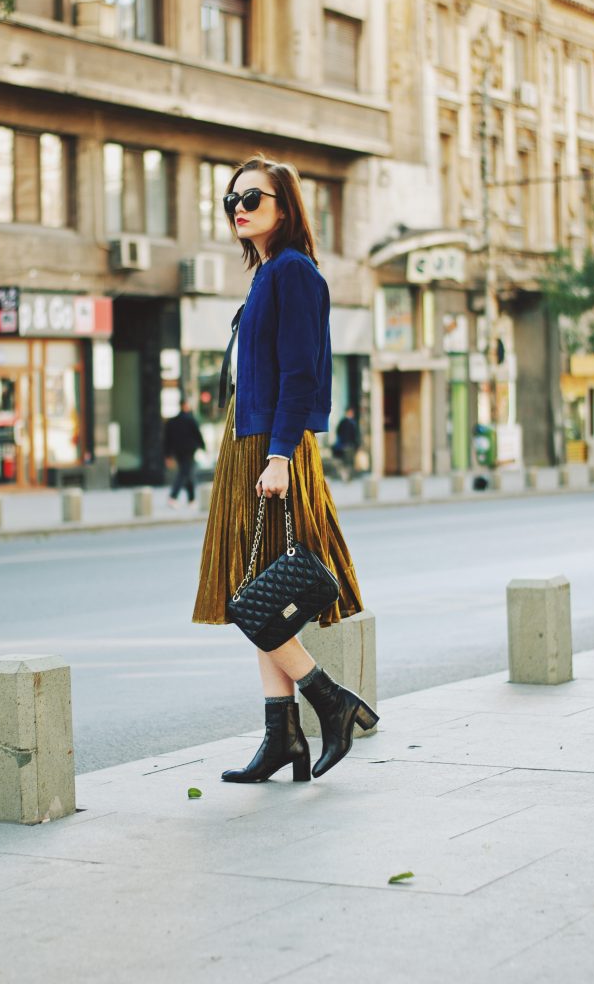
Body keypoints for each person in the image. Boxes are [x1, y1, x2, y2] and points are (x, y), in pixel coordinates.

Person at [192, 155, 378, 783]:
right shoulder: (269, 272)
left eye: (254, 197)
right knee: (257, 600)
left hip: (273, 451)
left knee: (259, 603)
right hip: (250, 445)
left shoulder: (294, 272)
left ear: (285, 205)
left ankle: (330, 700)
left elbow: (301, 373)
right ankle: (283, 738)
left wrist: (277, 457)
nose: (240, 207)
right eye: (232, 200)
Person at [164, 400, 205, 508]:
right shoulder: (190, 420)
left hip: (178, 452)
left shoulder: (172, 421)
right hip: (189, 451)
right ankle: (173, 497)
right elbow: (198, 434)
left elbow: (167, 440)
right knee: (184, 473)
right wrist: (203, 446)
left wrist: (168, 455)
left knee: (186, 472)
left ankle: (191, 500)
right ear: (185, 406)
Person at [333, 407, 360, 481]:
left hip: (349, 445)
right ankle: (346, 477)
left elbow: (354, 435)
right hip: (346, 445)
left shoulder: (350, 422)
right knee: (347, 461)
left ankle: (348, 476)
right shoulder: (346, 422)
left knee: (349, 462)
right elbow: (340, 433)